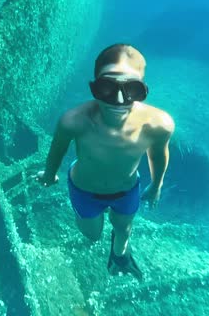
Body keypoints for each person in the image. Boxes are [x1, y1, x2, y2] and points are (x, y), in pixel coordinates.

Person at [36, 43, 174, 280]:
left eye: (132, 89)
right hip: (84, 190)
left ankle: (120, 255)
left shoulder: (158, 124)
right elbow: (57, 149)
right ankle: (109, 236)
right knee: (92, 235)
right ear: (94, 87)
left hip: (127, 189)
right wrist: (50, 174)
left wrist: (156, 185)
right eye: (107, 87)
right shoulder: (73, 122)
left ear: (144, 90)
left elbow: (159, 154)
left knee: (123, 229)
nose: (119, 99)